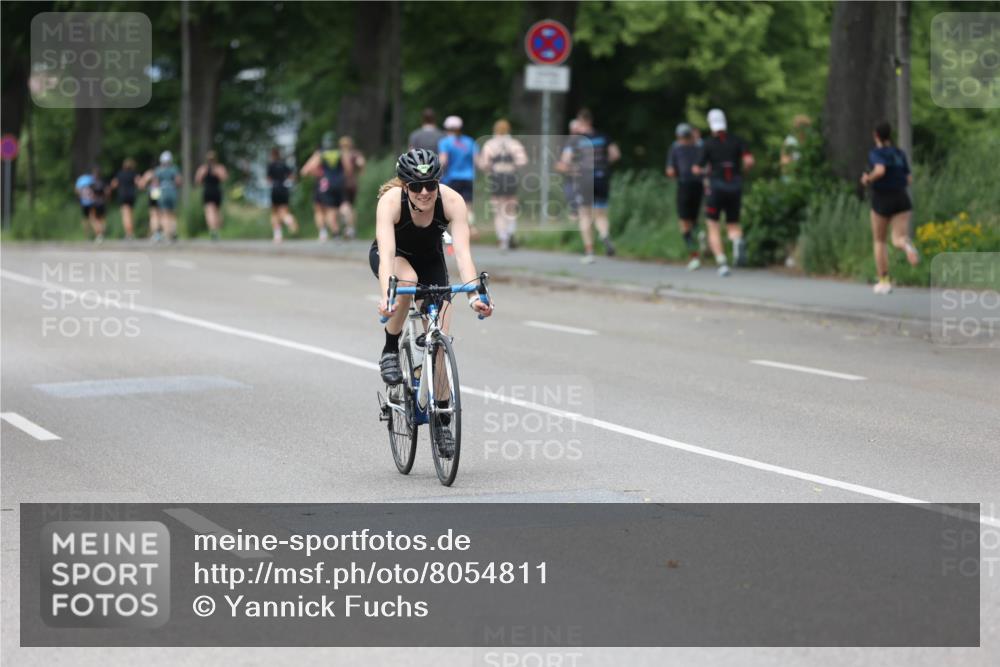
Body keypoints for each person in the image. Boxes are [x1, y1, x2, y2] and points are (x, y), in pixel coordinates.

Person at [372, 149, 493, 455]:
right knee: (408, 282)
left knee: (439, 341)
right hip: (395, 260)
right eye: (416, 186)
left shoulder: (452, 201)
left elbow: (463, 256)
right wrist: (387, 294)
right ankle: (390, 347)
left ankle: (441, 420)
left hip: (430, 260)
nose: (424, 192)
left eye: (430, 185)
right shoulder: (390, 203)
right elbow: (386, 254)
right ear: (404, 185)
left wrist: (473, 297)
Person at [692, 108, 754, 277]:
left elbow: (697, 168)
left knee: (713, 225)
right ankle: (736, 241)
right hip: (735, 185)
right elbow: (749, 161)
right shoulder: (737, 141)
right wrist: (742, 173)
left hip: (716, 186)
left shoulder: (708, 143)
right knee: (733, 223)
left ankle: (721, 260)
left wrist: (702, 172)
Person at [860, 121, 919, 295]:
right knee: (898, 238)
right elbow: (908, 179)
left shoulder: (876, 153)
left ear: (876, 135)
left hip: (882, 199)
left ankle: (884, 281)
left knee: (880, 240)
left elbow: (879, 170)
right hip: (901, 197)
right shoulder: (899, 153)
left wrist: (867, 179)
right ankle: (907, 245)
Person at [557, 108, 620, 263]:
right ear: (591, 121)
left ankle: (590, 251)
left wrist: (572, 169)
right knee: (601, 213)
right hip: (601, 177)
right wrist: (604, 165)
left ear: (580, 122)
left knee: (585, 215)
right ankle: (604, 235)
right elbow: (615, 154)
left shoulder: (575, 140)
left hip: (584, 179)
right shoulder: (603, 136)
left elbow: (565, 162)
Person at [477, 119, 528, 251]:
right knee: (510, 207)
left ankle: (502, 239)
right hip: (510, 176)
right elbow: (522, 161)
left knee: (498, 210)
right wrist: (513, 165)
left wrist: (490, 166)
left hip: (497, 177)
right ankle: (511, 232)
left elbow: (484, 164)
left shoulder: (490, 144)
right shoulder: (514, 143)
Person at [666, 123, 704, 271]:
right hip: (698, 185)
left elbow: (670, 170)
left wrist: (673, 173)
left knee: (684, 221)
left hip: (684, 185)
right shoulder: (700, 147)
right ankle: (699, 235)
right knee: (693, 219)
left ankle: (693, 254)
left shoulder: (676, 147)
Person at [438, 116, 478, 236]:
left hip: (451, 178)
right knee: (468, 205)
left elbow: (443, 160)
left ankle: (453, 232)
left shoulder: (445, 142)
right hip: (468, 177)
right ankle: (471, 228)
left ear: (446, 128)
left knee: (450, 205)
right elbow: (477, 160)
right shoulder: (470, 141)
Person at [300, 132, 344, 241]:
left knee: (320, 209)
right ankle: (341, 228)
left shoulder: (320, 154)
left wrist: (318, 174)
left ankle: (327, 232)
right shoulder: (340, 153)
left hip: (324, 184)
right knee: (335, 208)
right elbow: (347, 169)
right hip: (339, 183)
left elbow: (305, 171)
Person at [195, 150, 228, 241]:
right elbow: (225, 178)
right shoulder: (219, 168)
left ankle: (213, 230)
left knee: (211, 212)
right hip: (215, 191)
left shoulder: (203, 169)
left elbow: (197, 181)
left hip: (209, 191)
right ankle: (215, 230)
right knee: (214, 211)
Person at [266, 147, 298, 243]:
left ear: (272, 155)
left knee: (275, 213)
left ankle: (277, 235)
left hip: (275, 189)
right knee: (284, 210)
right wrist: (287, 182)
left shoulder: (270, 165)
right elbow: (292, 177)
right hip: (284, 190)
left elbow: (268, 179)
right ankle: (289, 219)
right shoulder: (284, 165)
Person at [339, 135, 365, 239]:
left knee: (344, 207)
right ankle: (351, 228)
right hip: (353, 184)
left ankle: (348, 228)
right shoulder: (355, 154)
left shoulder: (339, 155)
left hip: (342, 183)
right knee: (351, 206)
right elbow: (361, 162)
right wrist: (361, 171)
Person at [153, 151, 182, 242]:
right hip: (172, 191)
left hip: (163, 191)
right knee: (172, 214)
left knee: (164, 214)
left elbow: (155, 183)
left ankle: (166, 233)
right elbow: (178, 181)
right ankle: (173, 232)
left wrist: (155, 196)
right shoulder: (174, 169)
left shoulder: (158, 170)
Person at [74, 166, 107, 243]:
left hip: (85, 202)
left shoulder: (80, 179)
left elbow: (77, 191)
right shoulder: (91, 179)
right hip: (94, 202)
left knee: (87, 219)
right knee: (98, 218)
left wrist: (81, 198)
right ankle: (100, 233)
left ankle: (87, 236)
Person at [110, 158, 139, 240]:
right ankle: (131, 232)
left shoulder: (120, 174)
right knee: (131, 214)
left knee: (125, 215)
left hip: (123, 195)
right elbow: (139, 183)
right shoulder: (134, 174)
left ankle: (128, 234)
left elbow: (113, 184)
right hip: (131, 195)